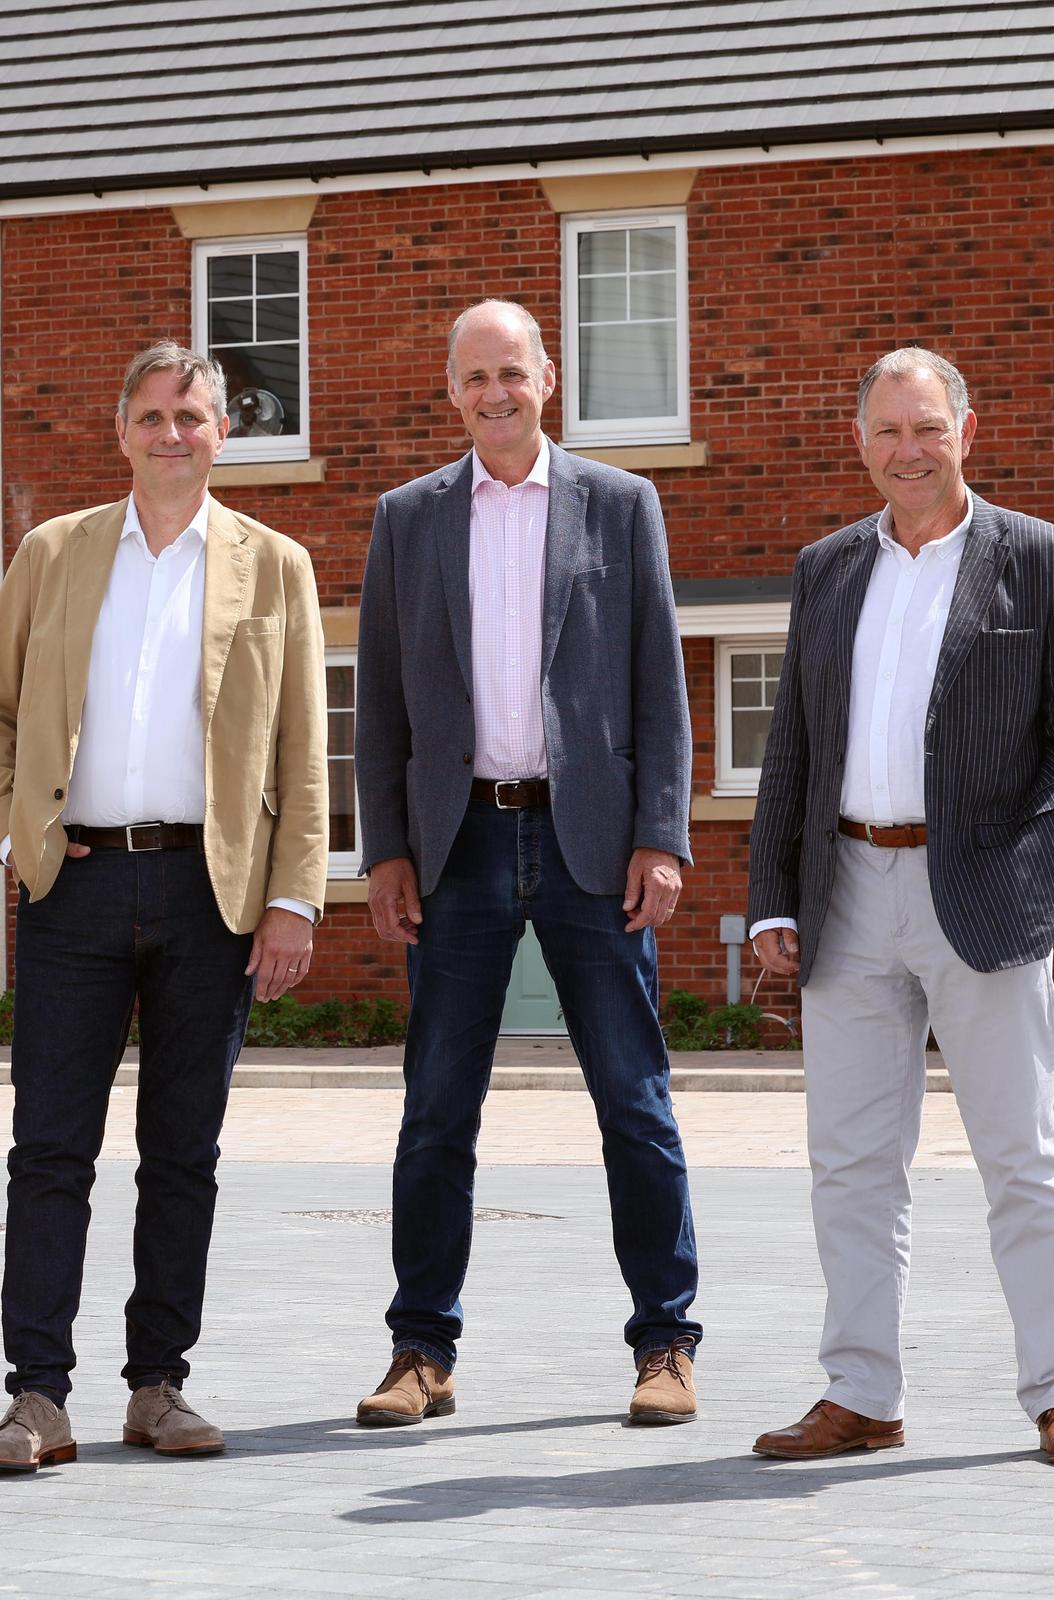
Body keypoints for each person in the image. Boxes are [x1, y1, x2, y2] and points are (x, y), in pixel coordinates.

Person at [745, 348, 1054, 1467]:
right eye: (886, 432)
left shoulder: (1049, 564)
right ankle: (860, 1392)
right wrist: (772, 895)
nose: (907, 451)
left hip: (987, 895)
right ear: (860, 441)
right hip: (848, 890)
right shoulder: (825, 570)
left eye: (926, 428)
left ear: (969, 428)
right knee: (851, 1160)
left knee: (1026, 1154)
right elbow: (792, 750)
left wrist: (1046, 882)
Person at [0, 342, 326, 1472]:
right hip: (76, 883)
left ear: (223, 432)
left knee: (182, 1153)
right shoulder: (54, 551)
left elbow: (306, 745)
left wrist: (296, 896)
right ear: (121, 431)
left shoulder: (276, 565)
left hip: (210, 893)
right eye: (154, 415)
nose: (173, 433)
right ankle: (35, 1397)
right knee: (50, 1149)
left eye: (193, 415)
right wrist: (14, 833)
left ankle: (158, 1386)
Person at [351, 299, 702, 1430]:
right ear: (450, 391)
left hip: (590, 841)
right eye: (474, 378)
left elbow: (659, 679)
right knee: (436, 1109)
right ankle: (421, 1349)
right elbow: (384, 705)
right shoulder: (407, 518)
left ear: (547, 377)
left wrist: (663, 832)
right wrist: (388, 849)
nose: (495, 393)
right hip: (457, 846)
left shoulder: (621, 504)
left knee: (634, 1101)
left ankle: (665, 1342)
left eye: (513, 372)